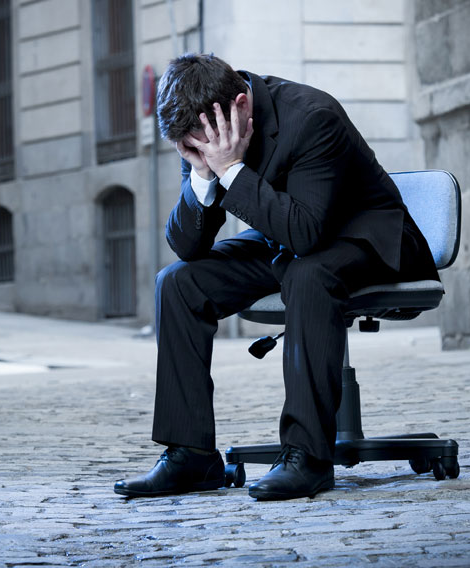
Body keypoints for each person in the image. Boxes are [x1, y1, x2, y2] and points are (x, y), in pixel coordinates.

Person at [113, 53, 439, 501]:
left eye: (203, 145)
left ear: (241, 105)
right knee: (178, 282)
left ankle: (307, 457)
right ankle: (190, 455)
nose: (199, 153)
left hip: (367, 235)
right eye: (191, 149)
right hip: (286, 236)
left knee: (308, 275)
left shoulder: (312, 117)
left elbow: (307, 233)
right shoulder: (203, 128)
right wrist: (205, 177)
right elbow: (188, 245)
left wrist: (229, 168)